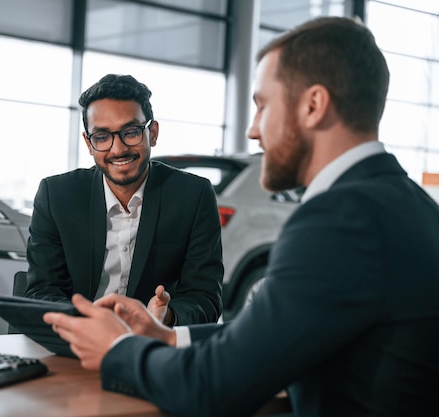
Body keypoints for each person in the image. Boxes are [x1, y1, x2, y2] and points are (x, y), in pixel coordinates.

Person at [44, 16, 439, 417]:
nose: (252, 132)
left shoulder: (340, 220)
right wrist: (168, 339)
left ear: (313, 106)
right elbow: (272, 336)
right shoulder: (409, 205)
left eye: (263, 106)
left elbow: (213, 387)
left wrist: (118, 348)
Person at [24, 73, 223, 326]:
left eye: (131, 132)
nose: (117, 149)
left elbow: (205, 298)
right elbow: (41, 291)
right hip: (77, 338)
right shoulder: (57, 196)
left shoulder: (193, 196)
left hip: (151, 345)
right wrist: (88, 321)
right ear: (88, 143)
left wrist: (165, 316)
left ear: (153, 132)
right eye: (102, 137)